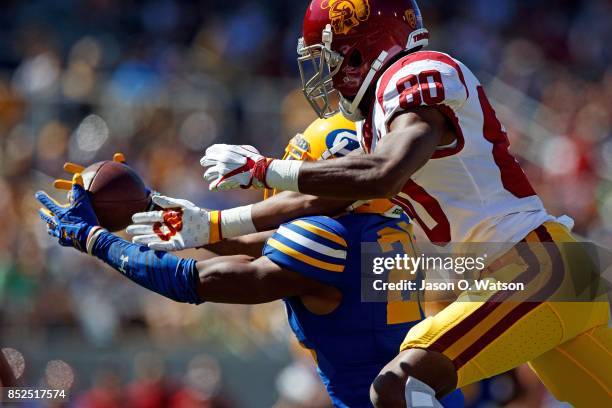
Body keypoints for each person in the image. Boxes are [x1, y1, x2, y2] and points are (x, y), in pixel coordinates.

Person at [196, 1, 611, 406]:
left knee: (400, 382)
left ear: (361, 49)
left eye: (332, 59)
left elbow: (384, 172)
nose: (329, 75)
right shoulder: (378, 128)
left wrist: (266, 170)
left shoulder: (416, 73)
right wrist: (213, 224)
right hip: (544, 274)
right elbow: (317, 201)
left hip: (534, 268)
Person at [37, 115, 464, 408]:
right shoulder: (386, 227)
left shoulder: (328, 242)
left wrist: (95, 241)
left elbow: (195, 281)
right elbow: (266, 250)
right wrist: (155, 213)